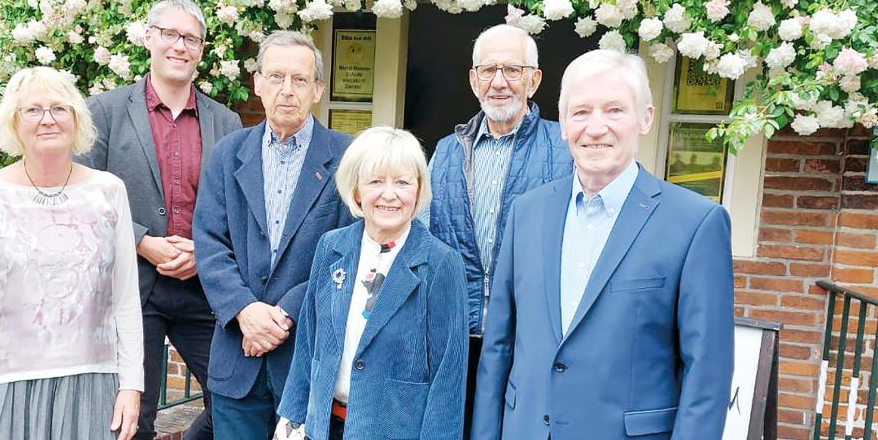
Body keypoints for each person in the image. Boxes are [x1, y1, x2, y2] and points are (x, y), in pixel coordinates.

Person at [470, 49, 735, 440]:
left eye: (614, 110)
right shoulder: (527, 213)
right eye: (580, 112)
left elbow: (707, 375)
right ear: (562, 124)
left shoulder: (695, 224)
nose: (595, 128)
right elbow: (498, 349)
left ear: (645, 119)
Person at [0, 66, 143, 440]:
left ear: (76, 119)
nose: (47, 119)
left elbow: (126, 301)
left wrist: (131, 387)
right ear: (14, 124)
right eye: (32, 110)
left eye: (59, 108)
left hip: (90, 383)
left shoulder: (109, 192)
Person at [77, 0, 242, 440]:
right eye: (170, 34)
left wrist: (203, 253)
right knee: (132, 418)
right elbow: (82, 195)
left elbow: (235, 208)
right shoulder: (104, 112)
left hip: (202, 288)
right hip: (133, 287)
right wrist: (141, 242)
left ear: (202, 50)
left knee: (235, 401)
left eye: (191, 38)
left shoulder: (225, 122)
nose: (180, 46)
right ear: (149, 38)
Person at [193, 30, 353, 440]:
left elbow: (348, 252)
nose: (287, 90)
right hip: (237, 357)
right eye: (276, 77)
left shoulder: (347, 159)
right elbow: (210, 244)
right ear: (258, 83)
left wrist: (284, 314)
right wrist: (245, 311)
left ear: (317, 89)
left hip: (306, 357)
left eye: (299, 80)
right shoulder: (228, 154)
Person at [275, 127, 469, 440]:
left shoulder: (441, 264)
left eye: (402, 182)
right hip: (324, 429)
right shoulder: (331, 247)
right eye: (376, 181)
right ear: (356, 191)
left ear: (418, 191)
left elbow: (448, 377)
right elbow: (309, 345)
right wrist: (291, 421)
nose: (389, 194)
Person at [424, 24, 572, 432]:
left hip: (531, 343)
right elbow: (422, 241)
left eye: (512, 70)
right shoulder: (446, 152)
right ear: (474, 81)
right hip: (457, 340)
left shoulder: (566, 150)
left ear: (534, 79)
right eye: (488, 70)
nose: (499, 82)